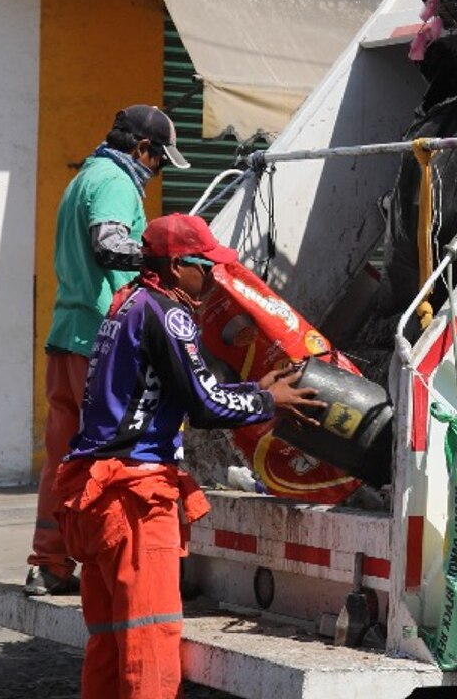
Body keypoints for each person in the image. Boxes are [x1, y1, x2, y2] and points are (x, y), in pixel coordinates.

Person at [53, 213, 325, 698]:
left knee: (110, 648)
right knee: (150, 643)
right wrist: (268, 401)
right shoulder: (169, 313)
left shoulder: (127, 304)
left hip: (94, 497)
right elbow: (204, 405)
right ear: (178, 266)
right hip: (134, 501)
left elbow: (180, 388)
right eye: (206, 266)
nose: (214, 277)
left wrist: (250, 389)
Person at [27, 105, 190, 596]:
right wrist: (166, 260)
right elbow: (109, 244)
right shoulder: (117, 182)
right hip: (101, 340)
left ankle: (50, 563)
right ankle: (108, 561)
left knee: (63, 456)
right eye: (160, 158)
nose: (157, 169)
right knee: (113, 456)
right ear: (143, 149)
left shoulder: (85, 177)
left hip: (66, 336)